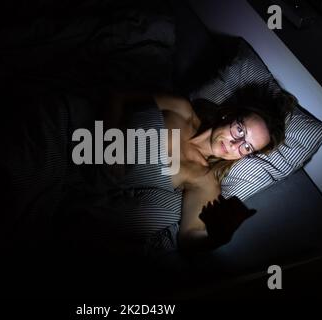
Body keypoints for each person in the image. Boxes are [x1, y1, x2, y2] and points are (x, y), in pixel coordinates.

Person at [103, 85, 296, 254]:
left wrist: (218, 237)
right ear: (229, 114)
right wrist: (111, 139)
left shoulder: (205, 181)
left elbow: (188, 239)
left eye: (247, 147)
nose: (235, 144)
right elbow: (118, 95)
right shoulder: (181, 109)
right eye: (240, 130)